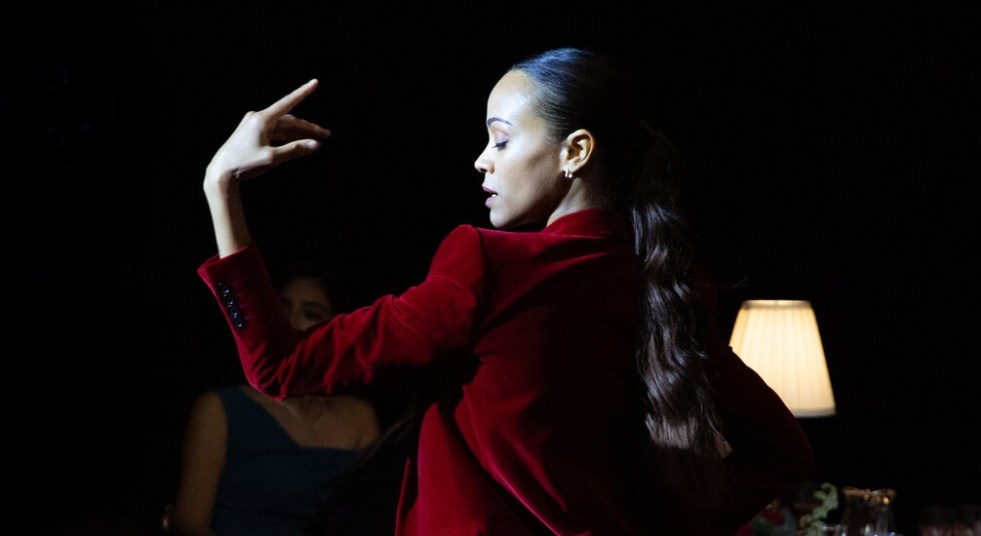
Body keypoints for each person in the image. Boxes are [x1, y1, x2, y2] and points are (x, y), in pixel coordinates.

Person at [196, 47, 814, 535]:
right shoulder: (669, 286)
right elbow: (782, 452)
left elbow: (282, 366)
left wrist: (221, 186)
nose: (481, 160)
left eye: (501, 138)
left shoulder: (487, 263)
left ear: (576, 151)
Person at [169, 263, 384, 536]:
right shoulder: (221, 409)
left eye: (311, 314)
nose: (291, 321)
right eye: (282, 308)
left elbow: (369, 517)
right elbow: (188, 523)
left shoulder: (359, 418)